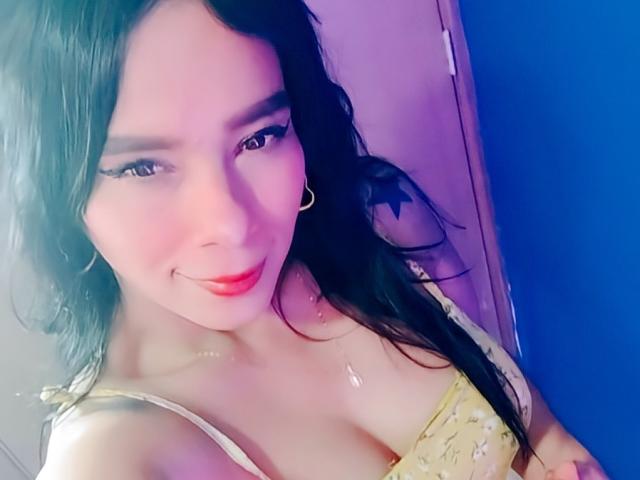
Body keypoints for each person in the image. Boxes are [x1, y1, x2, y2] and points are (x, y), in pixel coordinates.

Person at [0, 0, 607, 478]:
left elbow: (530, 424)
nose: (231, 225)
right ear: (59, 193)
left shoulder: (377, 220)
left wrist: (561, 459)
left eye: (259, 137)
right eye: (143, 167)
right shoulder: (116, 457)